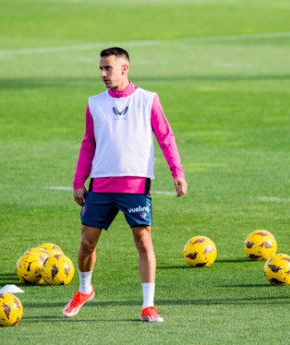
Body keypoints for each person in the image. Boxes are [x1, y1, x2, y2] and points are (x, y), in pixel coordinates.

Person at [63, 47, 187, 322]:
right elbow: (88, 144)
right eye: (101, 69)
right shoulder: (94, 103)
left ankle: (148, 305)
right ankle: (84, 290)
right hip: (101, 186)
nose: (103, 74)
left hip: (135, 186)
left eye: (108, 68)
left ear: (124, 68)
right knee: (87, 243)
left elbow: (166, 137)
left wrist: (177, 172)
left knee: (143, 242)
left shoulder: (148, 100)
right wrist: (77, 182)